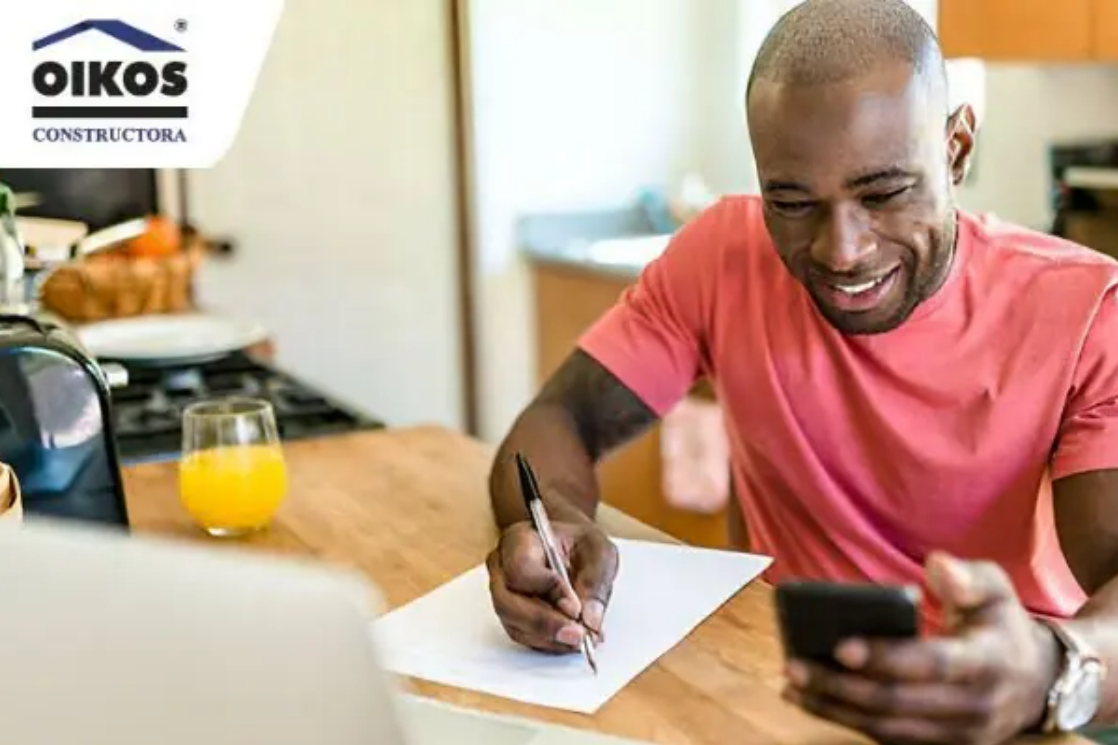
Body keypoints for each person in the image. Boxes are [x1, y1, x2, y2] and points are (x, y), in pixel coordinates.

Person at [484, 0, 1118, 742]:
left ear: (955, 147)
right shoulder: (722, 254)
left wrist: (1052, 669)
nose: (841, 250)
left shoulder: (1083, 312)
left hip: (991, 708)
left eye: (883, 192)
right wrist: (553, 528)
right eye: (791, 202)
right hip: (769, 689)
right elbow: (559, 422)